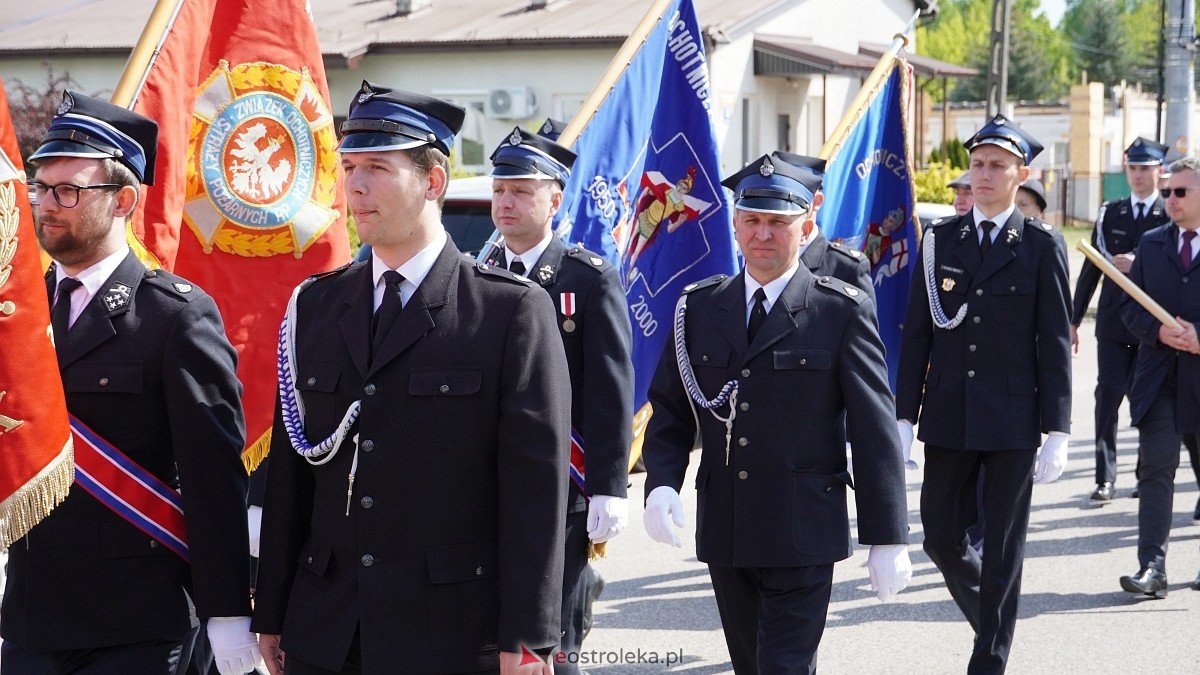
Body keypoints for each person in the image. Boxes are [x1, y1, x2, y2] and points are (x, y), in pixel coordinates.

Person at [251, 81, 570, 675]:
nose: (356, 186)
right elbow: (291, 475)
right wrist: (272, 612)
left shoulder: (507, 311)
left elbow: (535, 492)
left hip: (449, 631)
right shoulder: (316, 306)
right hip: (327, 627)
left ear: (433, 181)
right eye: (349, 167)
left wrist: (528, 640)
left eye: (377, 167)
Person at [3, 92, 259, 675]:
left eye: (69, 190)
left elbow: (213, 476)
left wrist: (228, 615)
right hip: (29, 615)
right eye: (41, 187)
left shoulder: (174, 316)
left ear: (123, 200)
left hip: (136, 625)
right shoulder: (20, 314)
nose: (48, 204)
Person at [641, 153, 911, 674]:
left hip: (803, 528)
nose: (763, 234)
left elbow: (875, 430)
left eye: (778, 223)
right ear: (736, 224)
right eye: (752, 220)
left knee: (782, 667)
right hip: (728, 525)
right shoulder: (698, 307)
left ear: (806, 225)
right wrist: (662, 483)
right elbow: (672, 410)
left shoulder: (839, 309)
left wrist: (887, 534)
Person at [895, 114, 1072, 675]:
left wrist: (1058, 432)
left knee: (1002, 548)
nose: (984, 175)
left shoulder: (1041, 245)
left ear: (1021, 174)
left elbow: (1054, 340)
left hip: (1013, 419)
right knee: (940, 538)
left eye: (997, 166)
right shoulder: (941, 239)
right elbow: (918, 332)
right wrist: (903, 416)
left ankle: (989, 657)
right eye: (977, 164)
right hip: (949, 413)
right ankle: (994, 623)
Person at [483, 125, 634, 673]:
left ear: (555, 198)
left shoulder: (587, 279)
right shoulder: (477, 275)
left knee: (551, 634)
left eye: (521, 191)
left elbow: (610, 389)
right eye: (500, 190)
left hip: (559, 485)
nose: (506, 202)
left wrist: (608, 487)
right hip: (482, 481)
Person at [1117, 155, 1200, 598]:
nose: (1170, 199)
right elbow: (1129, 307)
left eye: (1180, 192)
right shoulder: (1151, 243)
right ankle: (1152, 567)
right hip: (1159, 377)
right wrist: (1158, 330)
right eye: (1166, 192)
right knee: (1156, 469)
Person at [1071, 137, 1170, 503]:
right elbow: (1091, 268)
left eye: (1145, 169)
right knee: (1107, 396)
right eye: (1133, 168)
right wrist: (1074, 318)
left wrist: (1139, 264)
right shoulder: (1110, 212)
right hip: (1113, 323)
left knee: (1148, 401)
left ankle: (1145, 474)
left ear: (1159, 172)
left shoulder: (1168, 211)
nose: (1138, 175)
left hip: (1153, 325)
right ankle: (1105, 477)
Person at [771, 151, 875, 305]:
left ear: (817, 202)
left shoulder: (846, 267)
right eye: (775, 198)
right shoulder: (757, 255)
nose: (785, 207)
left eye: (795, 198)